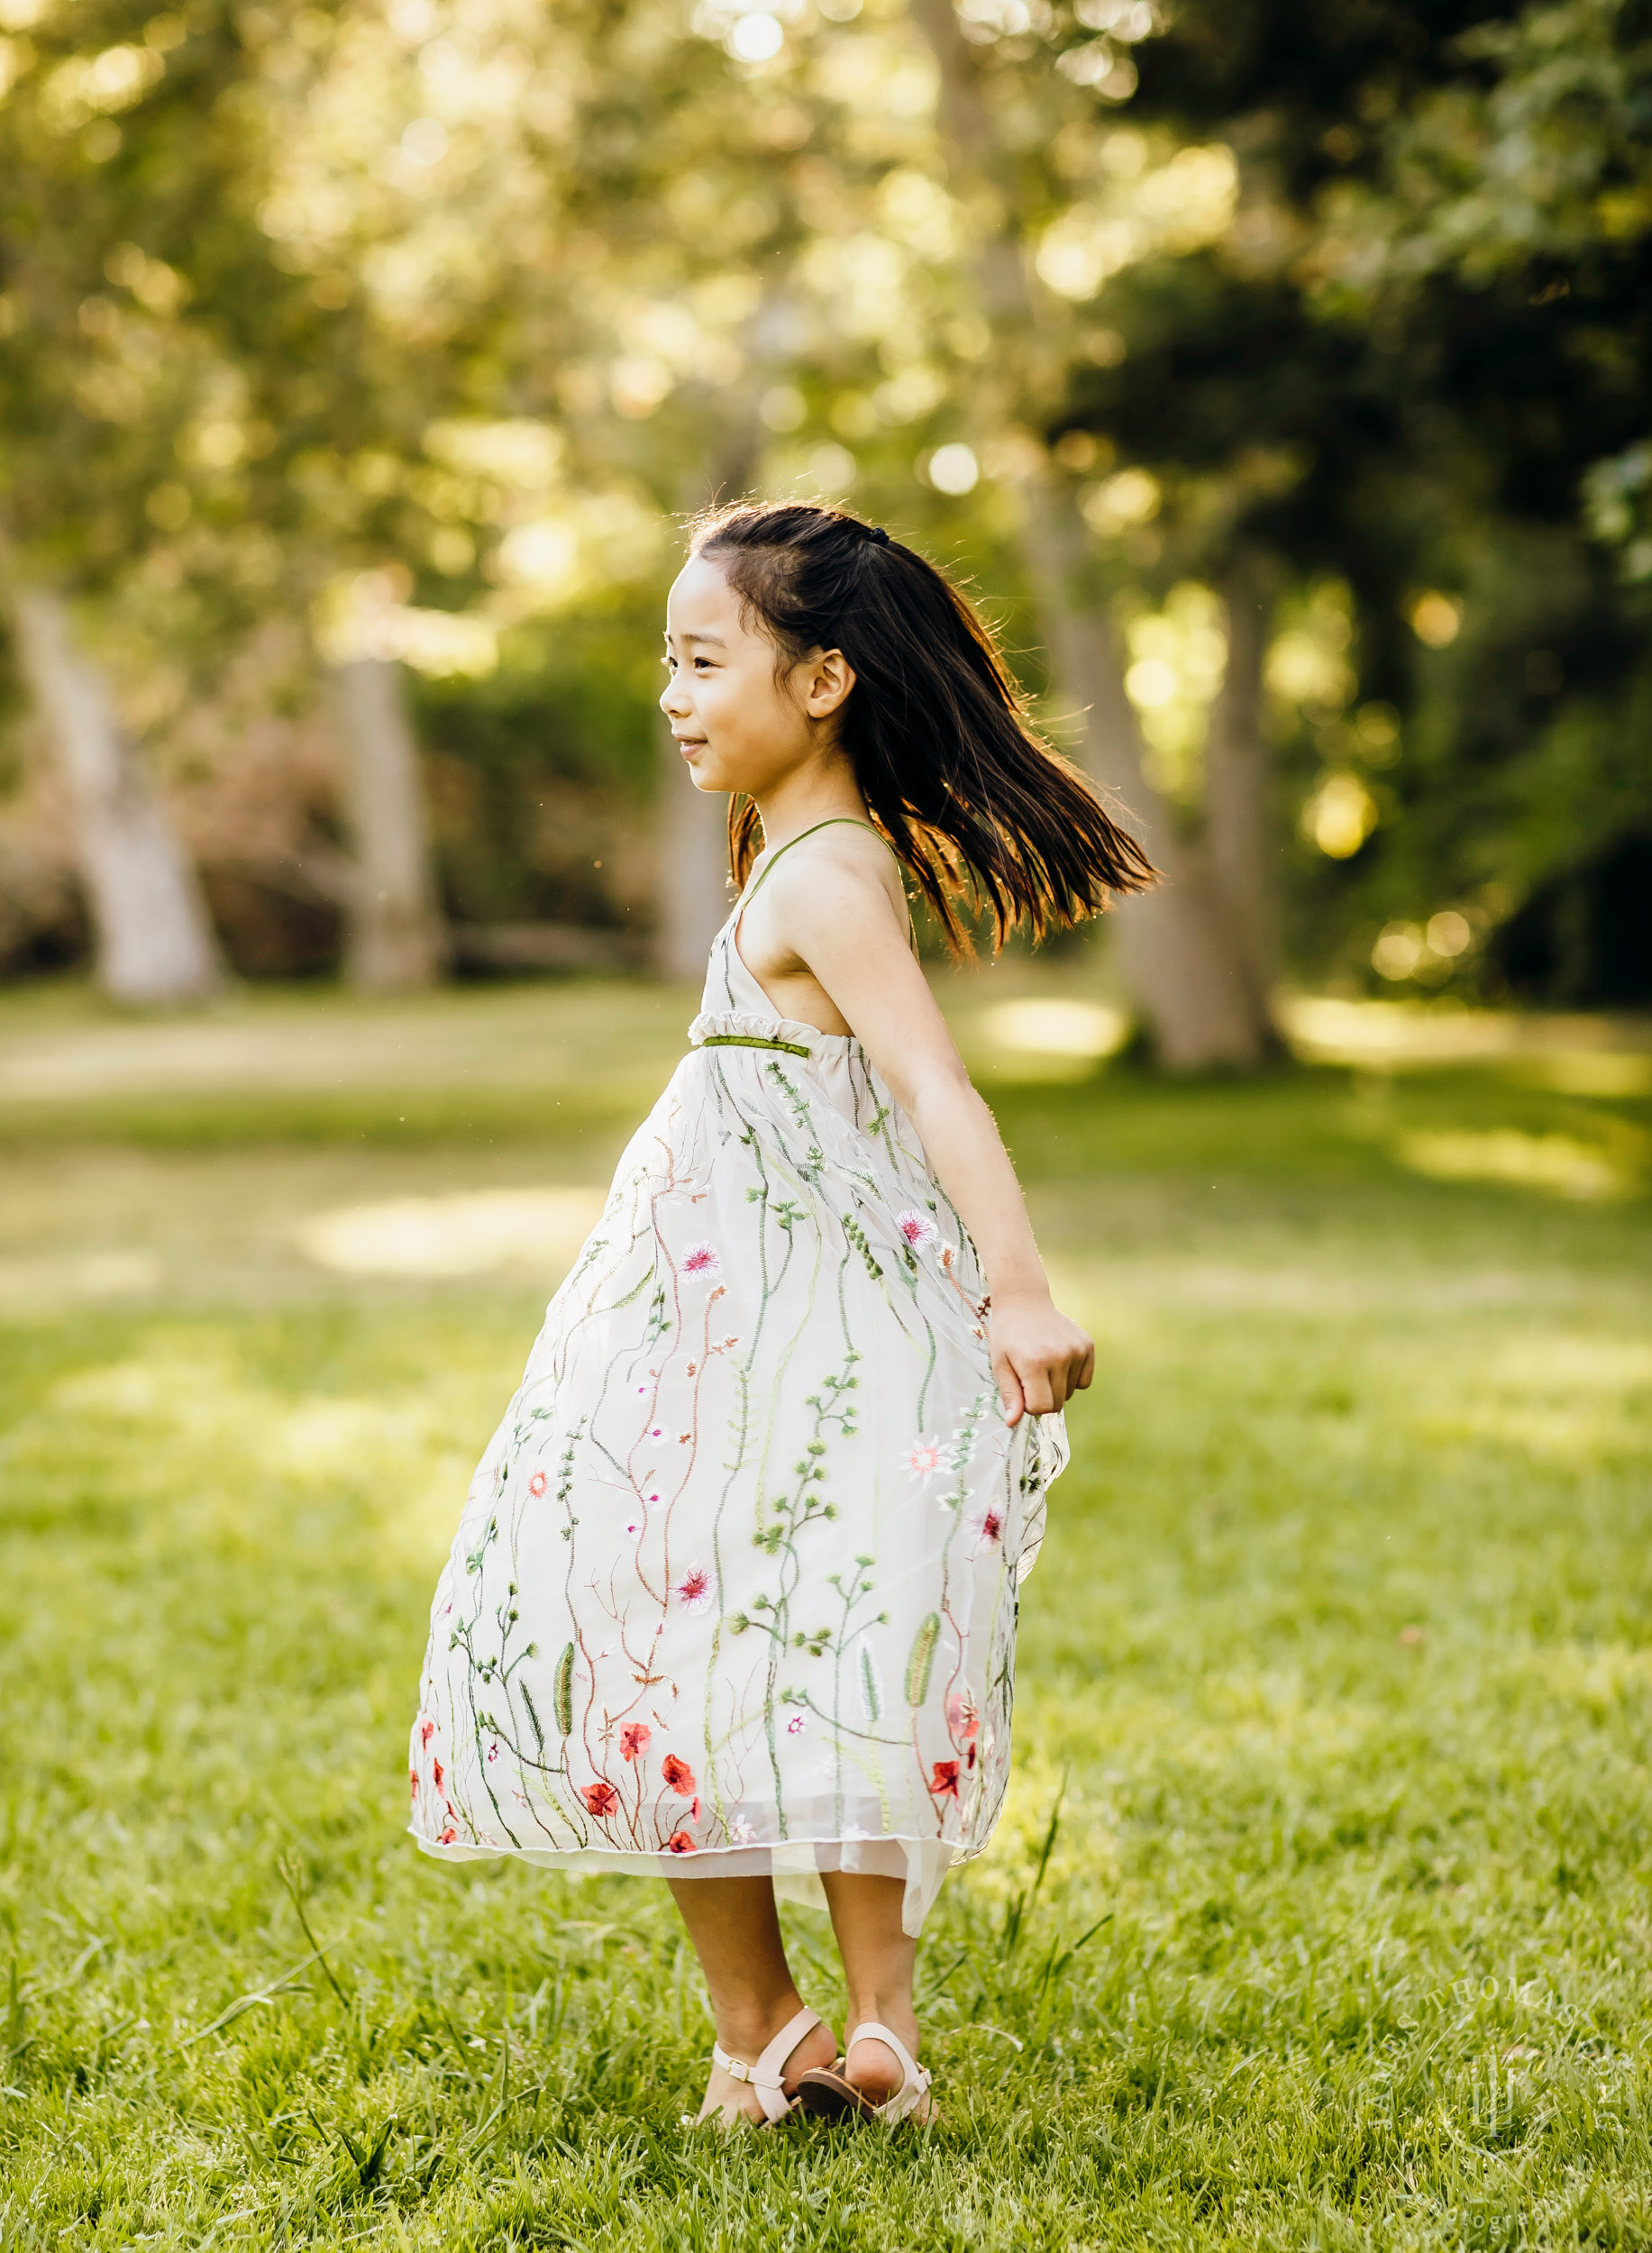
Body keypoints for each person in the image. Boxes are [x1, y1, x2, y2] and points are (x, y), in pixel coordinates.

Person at [409, 500, 1153, 2127]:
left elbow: (933, 1087)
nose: (671, 695)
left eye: (700, 659)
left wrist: (1019, 1289)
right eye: (662, 662)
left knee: (699, 1638)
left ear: (821, 682)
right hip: (737, 1334)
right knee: (797, 1640)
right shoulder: (810, 863)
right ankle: (851, 2028)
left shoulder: (824, 879)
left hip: (739, 1354)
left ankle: (776, 2032)